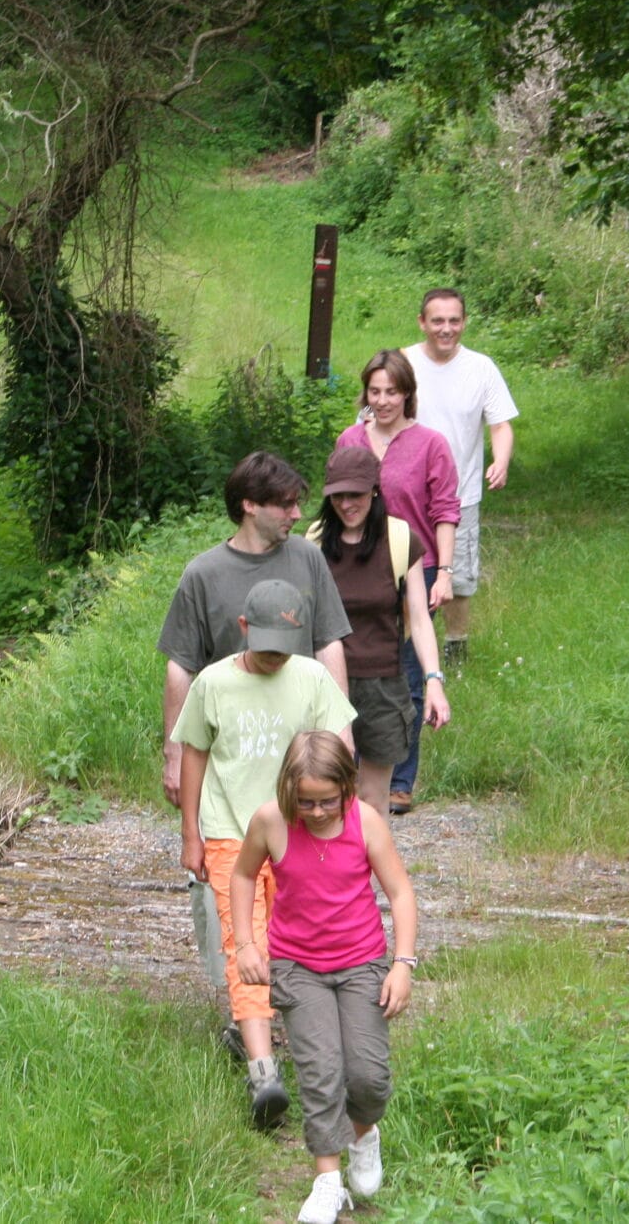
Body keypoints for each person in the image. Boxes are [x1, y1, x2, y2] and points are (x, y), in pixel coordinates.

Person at [157, 452, 352, 1037]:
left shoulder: (308, 560)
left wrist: (340, 743)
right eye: (286, 504)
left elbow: (330, 646)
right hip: (228, 756)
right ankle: (240, 1004)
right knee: (224, 877)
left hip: (298, 761)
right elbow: (180, 669)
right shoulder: (204, 574)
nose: (297, 512)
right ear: (249, 505)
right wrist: (173, 751)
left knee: (303, 881)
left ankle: (296, 999)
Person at [172, 580, 358, 1129]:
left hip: (298, 833)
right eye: (267, 642)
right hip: (231, 831)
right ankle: (263, 1071)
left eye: (286, 643)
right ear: (244, 629)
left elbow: (342, 749)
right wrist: (190, 832)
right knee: (242, 943)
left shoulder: (313, 678)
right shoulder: (213, 684)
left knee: (296, 939)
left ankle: (307, 1045)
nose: (277, 654)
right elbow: (194, 755)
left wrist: (343, 827)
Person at [230, 730, 418, 1224]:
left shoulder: (367, 823)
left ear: (348, 789)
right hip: (298, 966)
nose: (315, 813)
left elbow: (399, 892)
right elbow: (243, 875)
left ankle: (363, 1134)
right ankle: (327, 1181)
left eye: (326, 802)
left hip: (362, 963)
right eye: (305, 802)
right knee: (320, 1073)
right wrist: (248, 944)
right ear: (289, 791)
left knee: (368, 1077)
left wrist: (403, 964)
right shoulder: (271, 821)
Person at [336, 349, 459, 813]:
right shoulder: (351, 438)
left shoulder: (430, 443)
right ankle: (353, 766)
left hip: (416, 564)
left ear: (408, 393)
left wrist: (444, 572)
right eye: (375, 391)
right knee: (356, 666)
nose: (384, 400)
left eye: (392, 391)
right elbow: (337, 500)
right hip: (359, 565)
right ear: (366, 393)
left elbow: (445, 510)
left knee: (406, 669)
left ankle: (398, 780)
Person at [308, 444, 450, 814]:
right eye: (337, 496)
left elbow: (419, 619)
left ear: (374, 490)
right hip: (325, 683)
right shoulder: (316, 541)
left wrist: (433, 680)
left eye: (354, 494)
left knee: (373, 801)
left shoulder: (400, 539)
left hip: (383, 687)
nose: (346, 504)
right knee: (324, 798)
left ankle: (367, 874)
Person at [404, 288, 519, 667]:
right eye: (437, 321)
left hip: (460, 494)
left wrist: (500, 460)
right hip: (405, 494)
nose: (446, 328)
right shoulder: (403, 364)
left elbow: (500, 424)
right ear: (422, 322)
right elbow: (371, 411)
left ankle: (455, 647)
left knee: (458, 576)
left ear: (464, 322)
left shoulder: (481, 368)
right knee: (402, 569)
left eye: (454, 320)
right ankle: (403, 646)